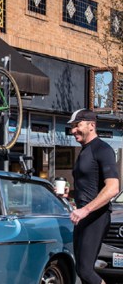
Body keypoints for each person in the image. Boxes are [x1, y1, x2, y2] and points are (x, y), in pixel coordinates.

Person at [68, 108, 120, 284]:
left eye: (77, 125)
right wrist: (69, 195)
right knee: (81, 271)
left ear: (91, 125)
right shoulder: (84, 151)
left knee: (85, 270)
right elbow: (88, 186)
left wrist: (86, 210)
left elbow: (113, 187)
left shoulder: (102, 149)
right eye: (72, 127)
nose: (73, 130)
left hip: (96, 217)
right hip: (83, 217)